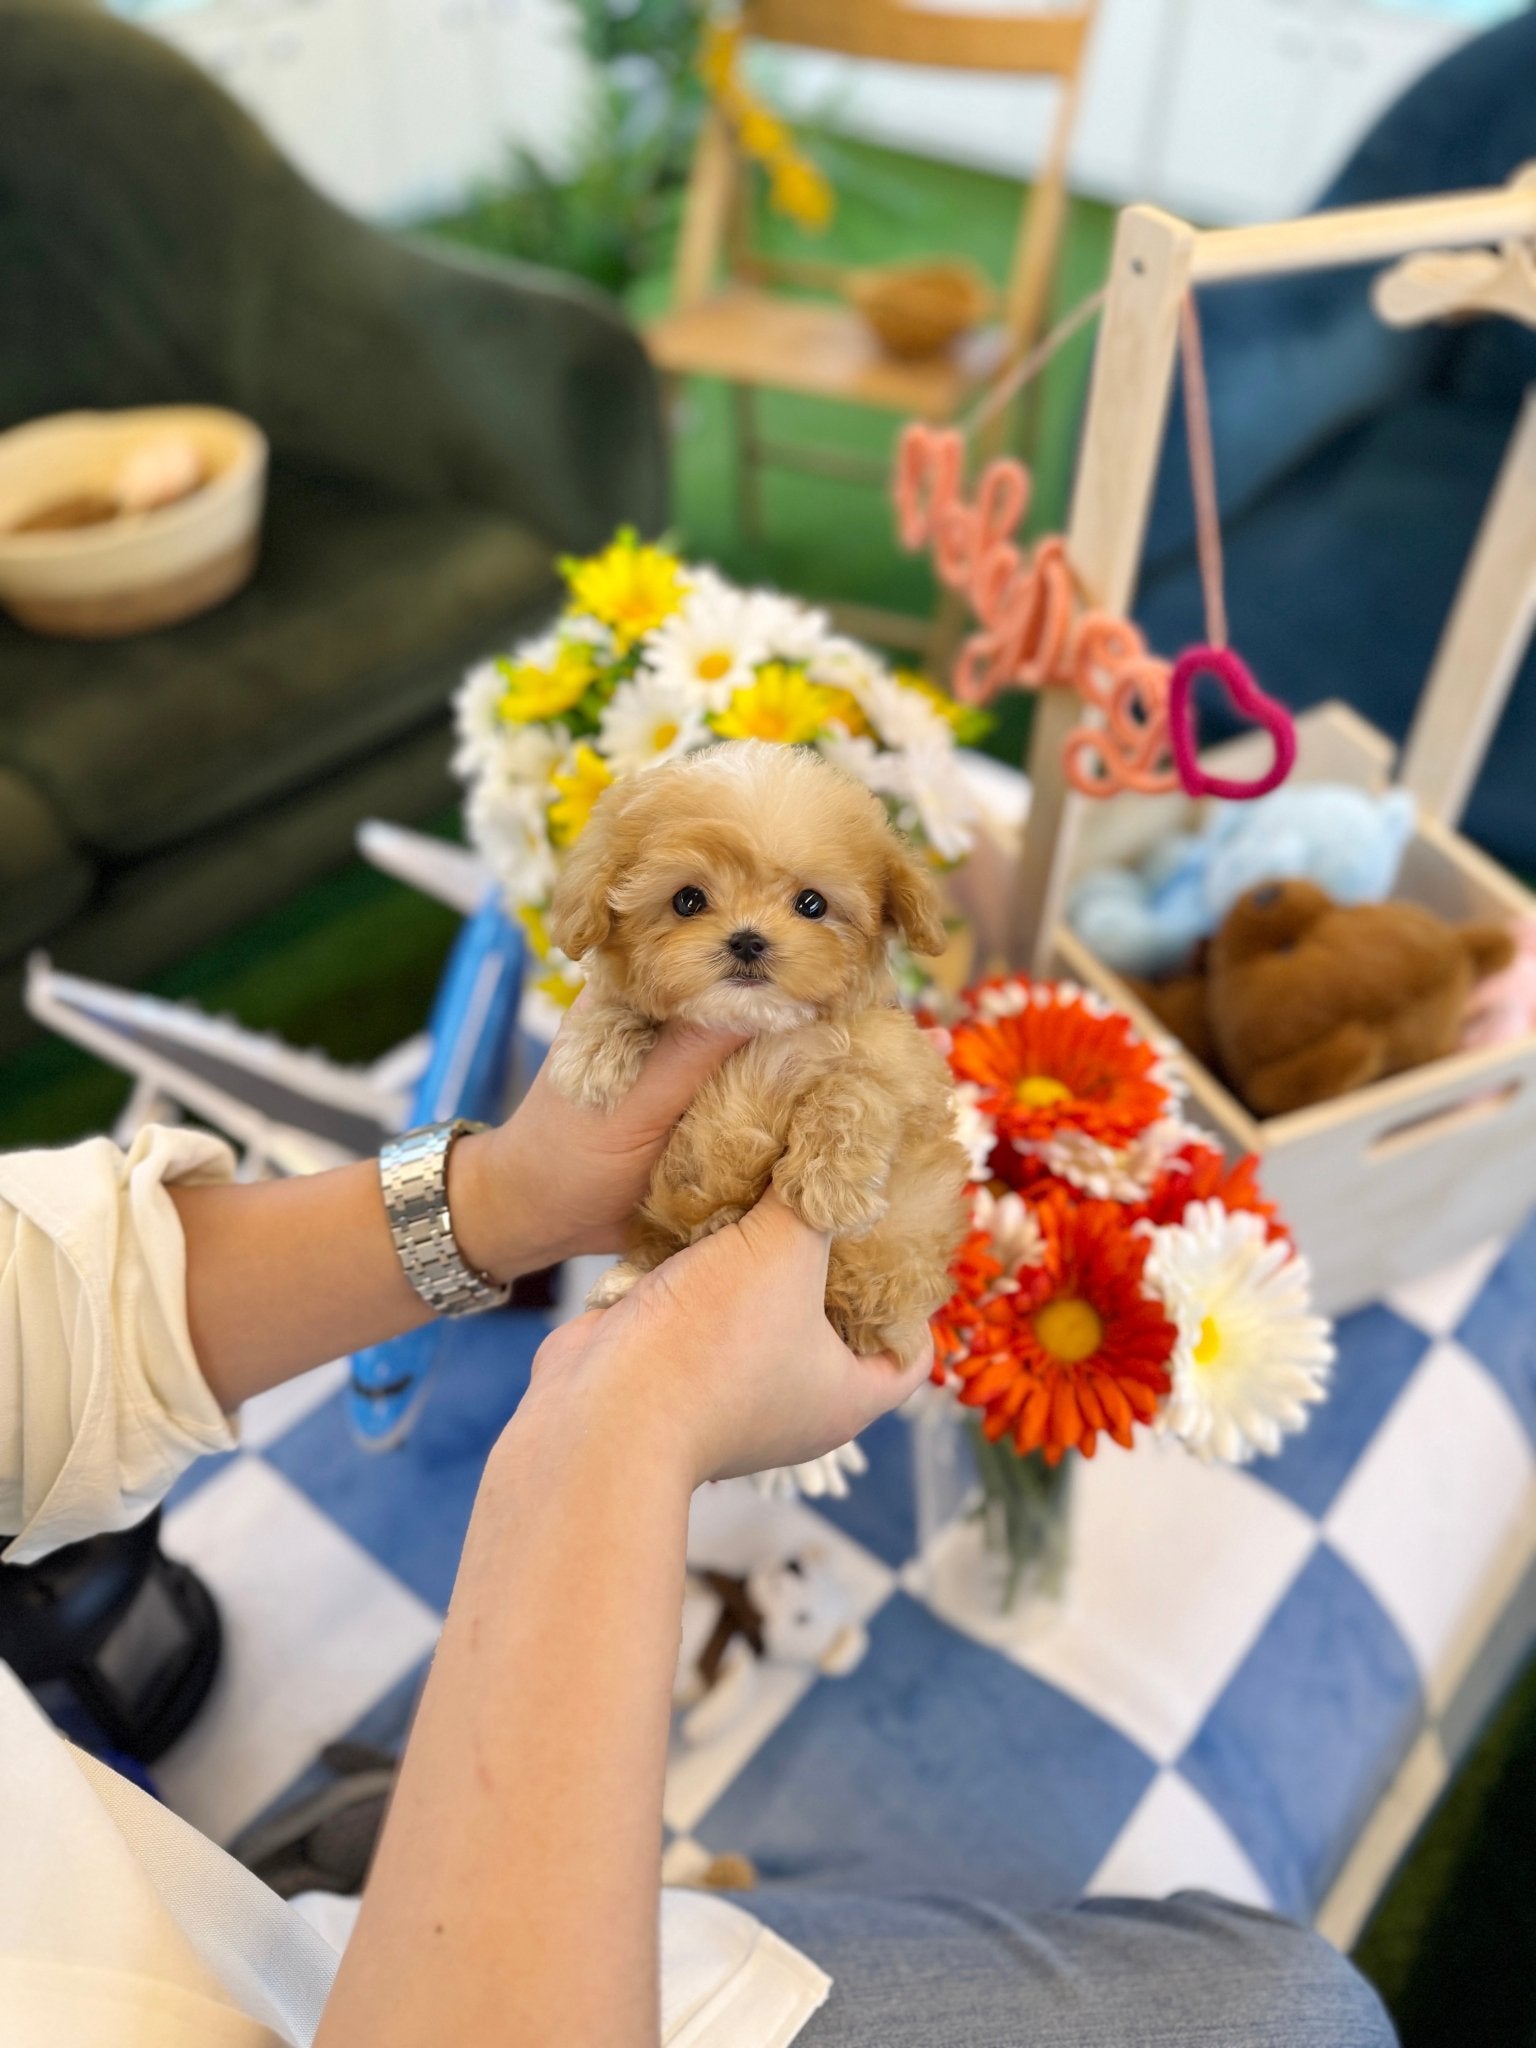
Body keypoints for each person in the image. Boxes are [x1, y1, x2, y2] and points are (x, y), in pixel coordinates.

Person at [0, 1003, 1397, 2048]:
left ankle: (374, 1878)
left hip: (194, 1922)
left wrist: (494, 1198)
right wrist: (612, 1426)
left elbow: (37, 1307)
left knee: (1291, 2005)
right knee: (1296, 2017)